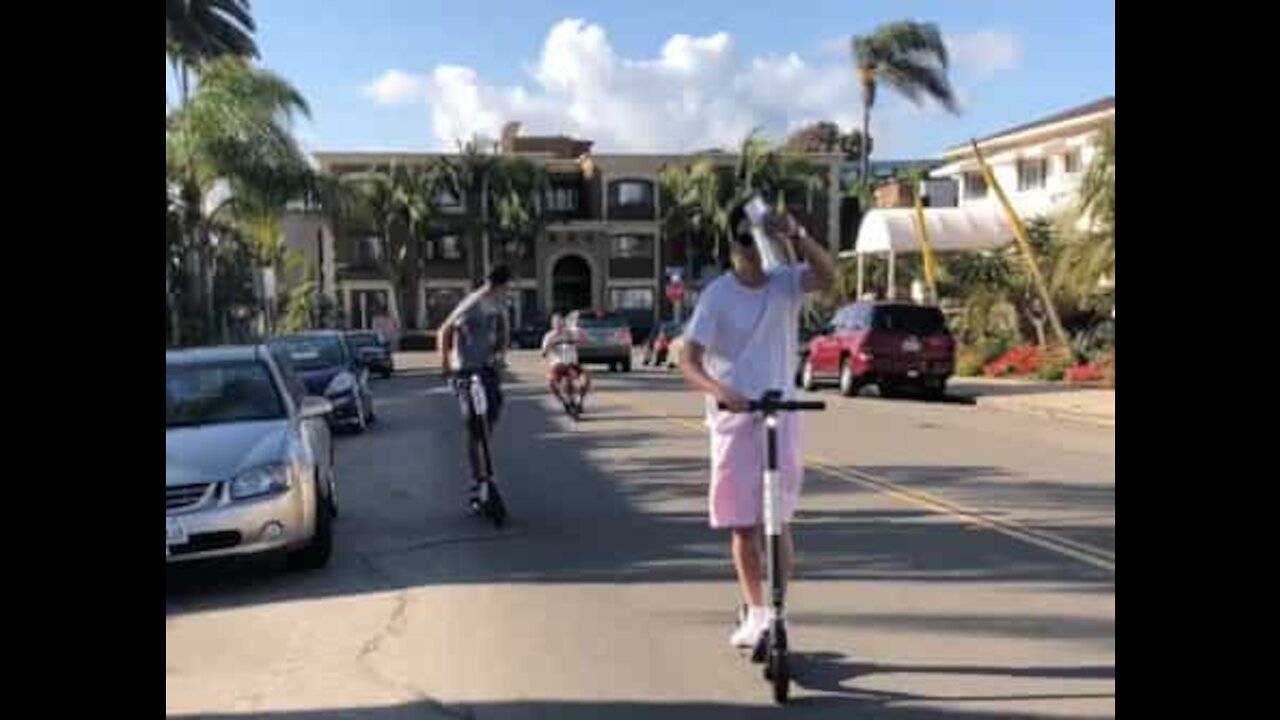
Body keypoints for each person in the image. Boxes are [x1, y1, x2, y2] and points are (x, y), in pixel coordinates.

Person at [678, 201, 836, 648]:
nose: (755, 247)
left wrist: (797, 234)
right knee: (744, 524)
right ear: (733, 244)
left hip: (779, 413)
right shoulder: (717, 296)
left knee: (778, 519)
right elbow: (687, 361)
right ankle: (756, 611)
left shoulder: (786, 284)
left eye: (762, 237)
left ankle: (779, 611)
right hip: (734, 419)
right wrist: (718, 389)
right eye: (747, 238)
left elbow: (827, 277)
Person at [437, 265, 512, 506]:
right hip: (466, 372)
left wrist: (500, 354)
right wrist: (445, 363)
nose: (507, 292)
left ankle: (482, 464)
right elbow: (445, 330)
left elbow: (503, 335)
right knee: (473, 423)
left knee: (490, 416)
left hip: (488, 370)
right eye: (506, 287)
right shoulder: (472, 303)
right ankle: (478, 479)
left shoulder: (500, 306)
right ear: (499, 285)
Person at [540, 313, 591, 411]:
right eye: (556, 323)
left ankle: (580, 402)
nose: (558, 325)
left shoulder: (570, 332)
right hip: (558, 365)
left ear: (563, 323)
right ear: (552, 324)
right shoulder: (549, 336)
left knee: (586, 379)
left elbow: (584, 340)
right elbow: (543, 354)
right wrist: (550, 344)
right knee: (551, 382)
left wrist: (576, 337)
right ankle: (564, 402)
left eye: (560, 322)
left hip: (572, 364)